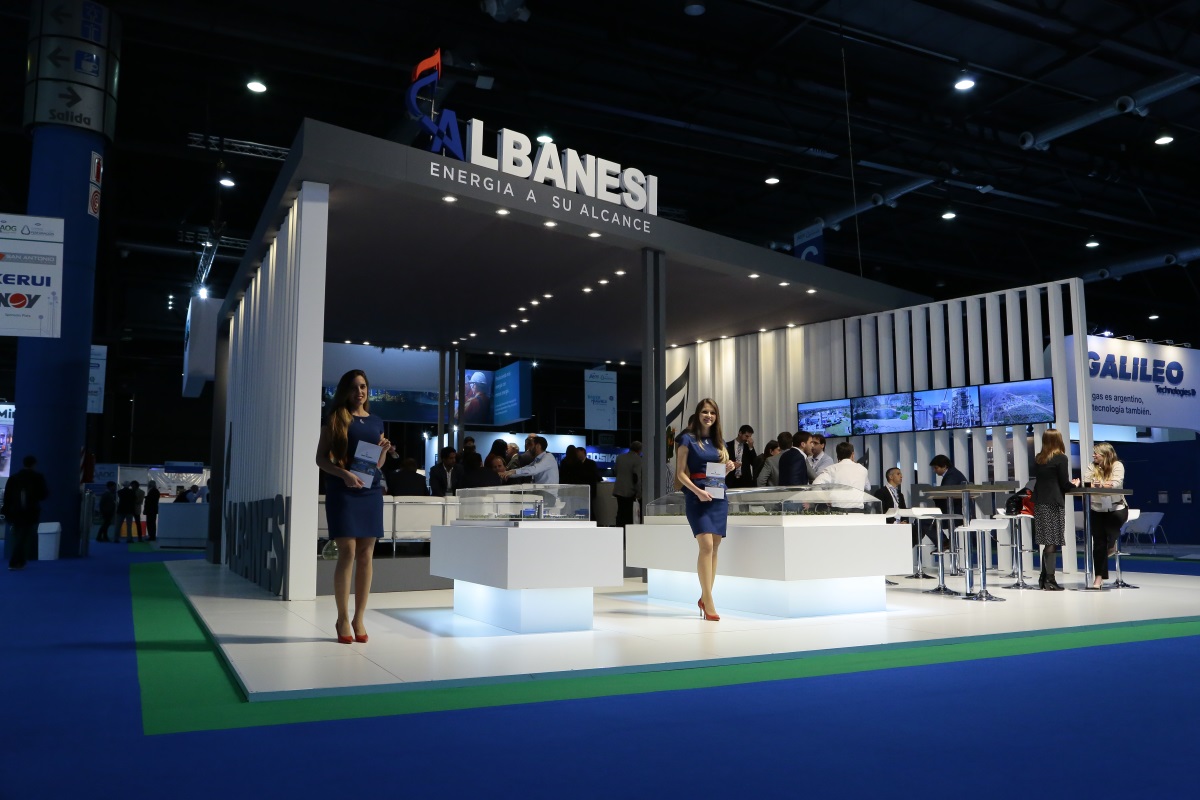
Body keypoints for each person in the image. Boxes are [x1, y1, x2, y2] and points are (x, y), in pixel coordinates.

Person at [314, 369, 395, 644]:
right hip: (342, 490)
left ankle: (359, 617)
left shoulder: (376, 421)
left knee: (366, 555)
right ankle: (342, 618)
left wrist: (383, 451)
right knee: (347, 552)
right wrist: (344, 474)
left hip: (370, 491)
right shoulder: (335, 418)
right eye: (354, 387)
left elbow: (377, 465)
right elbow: (320, 459)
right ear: (345, 391)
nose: (359, 392)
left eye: (363, 386)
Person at [674, 398, 737, 622]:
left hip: (717, 495)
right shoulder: (687, 439)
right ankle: (709, 600)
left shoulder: (720, 442)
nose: (708, 415)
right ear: (698, 414)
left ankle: (705, 596)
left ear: (716, 416)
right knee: (706, 545)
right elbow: (680, 474)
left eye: (712, 412)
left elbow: (716, 474)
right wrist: (697, 491)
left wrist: (727, 469)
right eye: (704, 412)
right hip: (696, 495)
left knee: (715, 546)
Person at [1079, 441, 1127, 589]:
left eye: (1096, 453)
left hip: (1117, 507)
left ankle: (1112, 544)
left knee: (1110, 531)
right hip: (1096, 508)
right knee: (1099, 544)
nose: (1093, 456)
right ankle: (1098, 579)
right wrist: (1100, 484)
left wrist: (1101, 485)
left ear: (1106, 455)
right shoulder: (1091, 466)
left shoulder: (1117, 465)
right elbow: (1087, 482)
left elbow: (1116, 483)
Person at [1032, 429, 1072, 591]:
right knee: (1052, 541)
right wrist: (1075, 485)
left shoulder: (1039, 458)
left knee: (1047, 540)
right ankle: (1050, 579)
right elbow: (1064, 483)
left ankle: (1043, 578)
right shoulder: (1061, 458)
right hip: (1053, 503)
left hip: (1040, 502)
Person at [3, 455, 48, 570]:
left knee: (18, 534)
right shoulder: (37, 477)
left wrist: (6, 510)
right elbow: (43, 494)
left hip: (15, 510)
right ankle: (15, 562)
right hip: (30, 511)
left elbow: (7, 495)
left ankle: (20, 561)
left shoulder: (14, 478)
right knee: (24, 536)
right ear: (34, 464)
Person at [813, 441, 871, 508]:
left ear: (837, 456)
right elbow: (868, 487)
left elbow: (815, 484)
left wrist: (826, 499)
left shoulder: (831, 469)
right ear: (852, 454)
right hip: (858, 511)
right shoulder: (862, 469)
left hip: (837, 510)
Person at [613, 441, 643, 527]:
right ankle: (628, 532)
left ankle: (619, 530)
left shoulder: (619, 457)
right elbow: (636, 477)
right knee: (629, 514)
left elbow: (615, 471)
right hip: (630, 491)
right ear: (639, 450)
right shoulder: (638, 459)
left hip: (618, 490)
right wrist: (639, 493)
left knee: (620, 512)